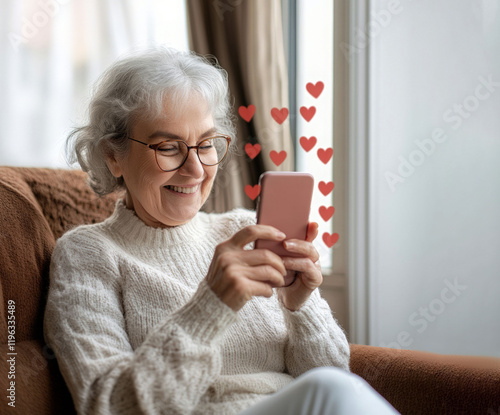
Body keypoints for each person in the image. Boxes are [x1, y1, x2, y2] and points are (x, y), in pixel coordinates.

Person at [43, 47, 399, 415]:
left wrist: (300, 305)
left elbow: (334, 375)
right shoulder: (88, 254)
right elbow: (110, 406)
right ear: (112, 156)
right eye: (169, 147)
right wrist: (211, 305)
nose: (195, 170)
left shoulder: (246, 229)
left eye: (207, 144)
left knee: (331, 387)